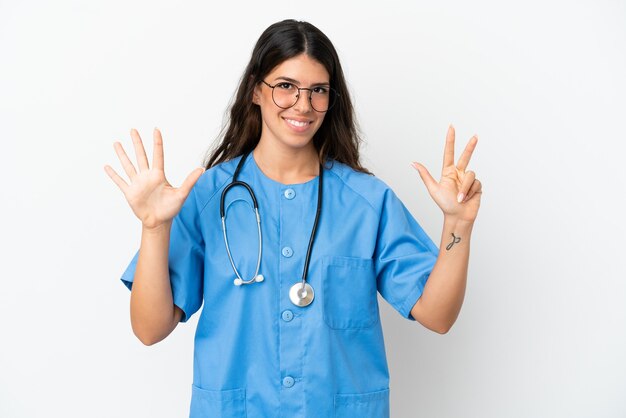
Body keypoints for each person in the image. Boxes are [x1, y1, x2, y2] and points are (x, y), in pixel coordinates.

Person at [104, 19, 482, 418]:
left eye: (317, 90)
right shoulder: (209, 197)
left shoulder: (367, 202)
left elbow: (437, 316)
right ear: (255, 90)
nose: (303, 105)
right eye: (285, 86)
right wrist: (154, 227)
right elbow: (150, 329)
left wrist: (458, 226)